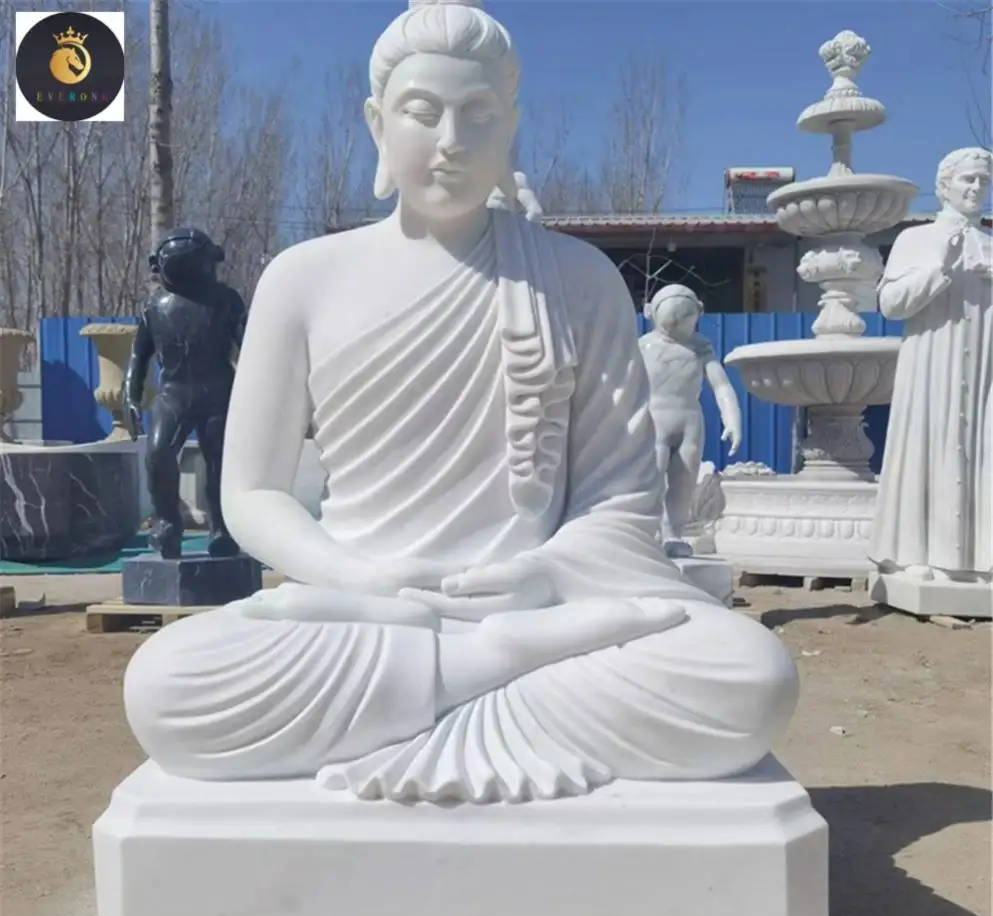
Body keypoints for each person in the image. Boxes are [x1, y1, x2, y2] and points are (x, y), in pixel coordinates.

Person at [122, 0, 798, 804]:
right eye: (422, 112)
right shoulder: (302, 278)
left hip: (538, 602)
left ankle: (449, 679)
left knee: (750, 677)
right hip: (365, 614)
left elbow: (620, 498)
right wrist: (364, 578)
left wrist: (541, 576)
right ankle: (489, 667)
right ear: (377, 123)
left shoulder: (577, 280)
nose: (450, 140)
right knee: (167, 686)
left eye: (478, 114)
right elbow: (253, 494)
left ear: (509, 125)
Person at [871, 147, 991, 584]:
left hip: (984, 373)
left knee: (981, 457)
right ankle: (915, 553)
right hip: (931, 365)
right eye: (968, 180)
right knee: (926, 453)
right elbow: (890, 305)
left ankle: (978, 561)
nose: (977, 188)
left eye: (983, 181)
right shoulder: (915, 240)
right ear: (944, 187)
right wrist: (938, 267)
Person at [124, 228, 246, 559]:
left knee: (220, 462)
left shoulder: (225, 300)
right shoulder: (155, 308)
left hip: (218, 390)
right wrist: (131, 396)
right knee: (159, 452)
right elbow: (139, 355)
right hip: (173, 392)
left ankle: (222, 527)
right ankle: (167, 525)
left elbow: (250, 347)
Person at [640, 285, 741, 554]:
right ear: (650, 312)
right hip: (653, 420)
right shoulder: (643, 346)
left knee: (684, 480)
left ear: (698, 313)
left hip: (689, 423)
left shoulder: (700, 347)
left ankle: (674, 533)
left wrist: (732, 419)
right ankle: (648, 532)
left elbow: (721, 386)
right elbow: (622, 386)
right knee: (653, 478)